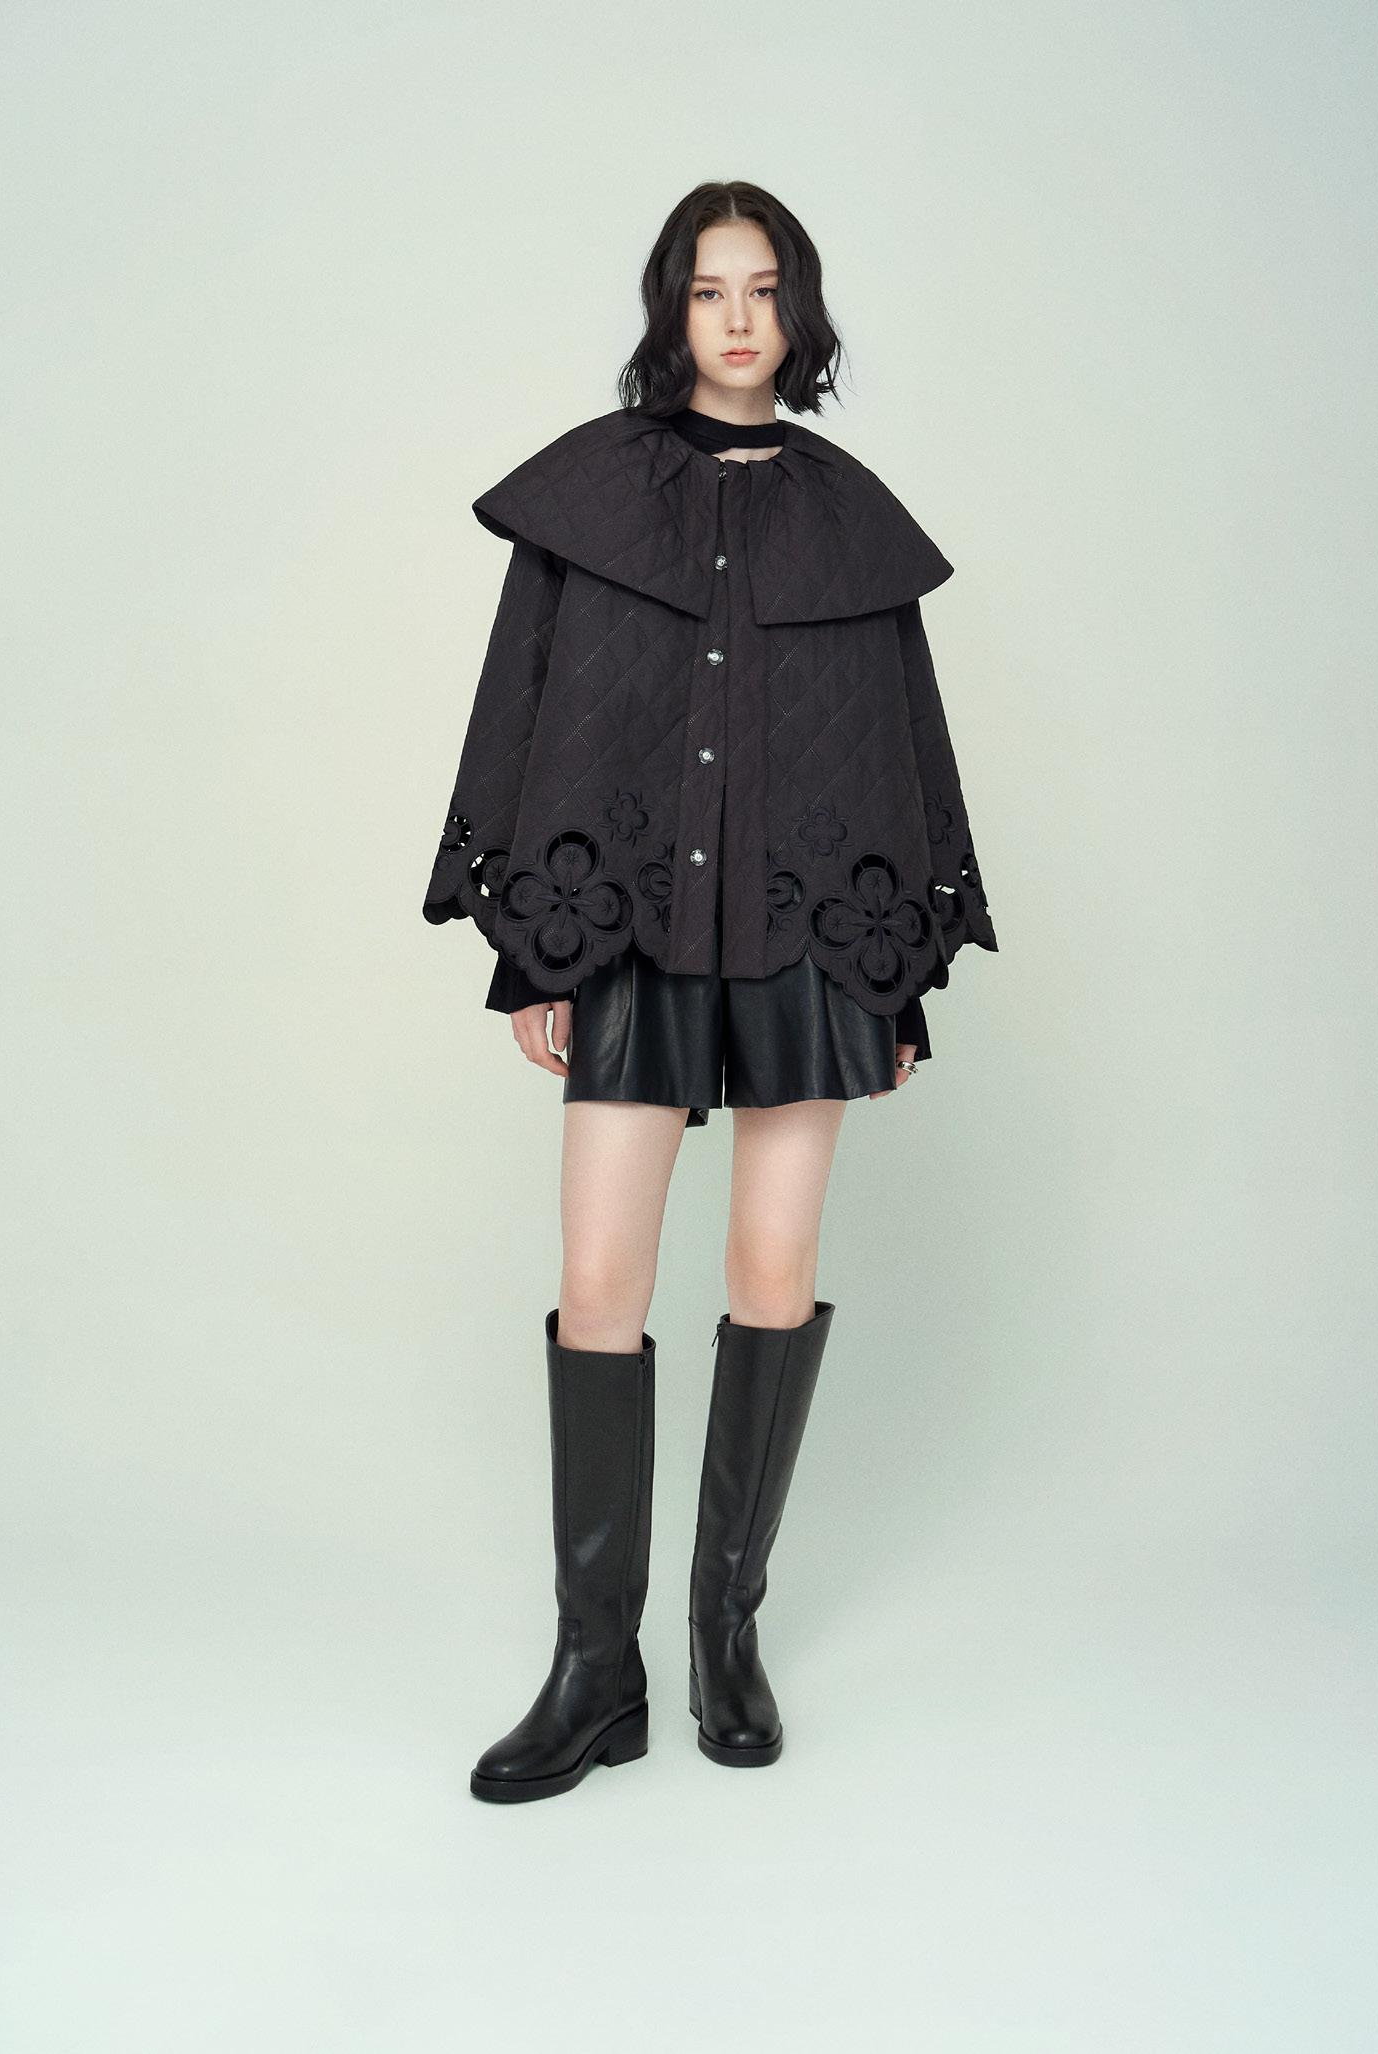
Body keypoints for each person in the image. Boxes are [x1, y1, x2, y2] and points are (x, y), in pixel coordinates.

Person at [421, 180, 998, 1803]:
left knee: (769, 1266)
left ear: (795, 311)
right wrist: (534, 941)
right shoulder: (591, 494)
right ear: (668, 311)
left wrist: (893, 974)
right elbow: (528, 703)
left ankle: (720, 1630)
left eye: (761, 289)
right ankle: (590, 1668)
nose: (737, 318)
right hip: (624, 919)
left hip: (810, 928)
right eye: (705, 289)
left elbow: (895, 742)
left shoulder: (849, 514)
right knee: (599, 1277)